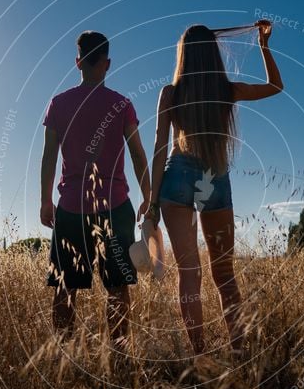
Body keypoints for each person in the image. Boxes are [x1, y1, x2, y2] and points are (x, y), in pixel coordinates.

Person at [145, 20, 283, 356]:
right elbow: (275, 86)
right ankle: (239, 352)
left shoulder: (170, 93)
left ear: (184, 56)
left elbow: (160, 148)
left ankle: (200, 356)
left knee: (189, 275)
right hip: (215, 179)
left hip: (175, 180)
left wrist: (150, 201)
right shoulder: (227, 90)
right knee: (224, 274)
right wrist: (264, 46)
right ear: (213, 55)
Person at [40, 30, 151, 345]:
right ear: (108, 63)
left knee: (66, 289)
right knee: (117, 288)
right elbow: (138, 153)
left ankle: (64, 355)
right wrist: (149, 196)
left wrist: (45, 200)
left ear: (77, 62)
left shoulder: (58, 104)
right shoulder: (122, 104)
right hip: (115, 210)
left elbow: (49, 155)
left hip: (72, 210)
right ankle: (119, 357)